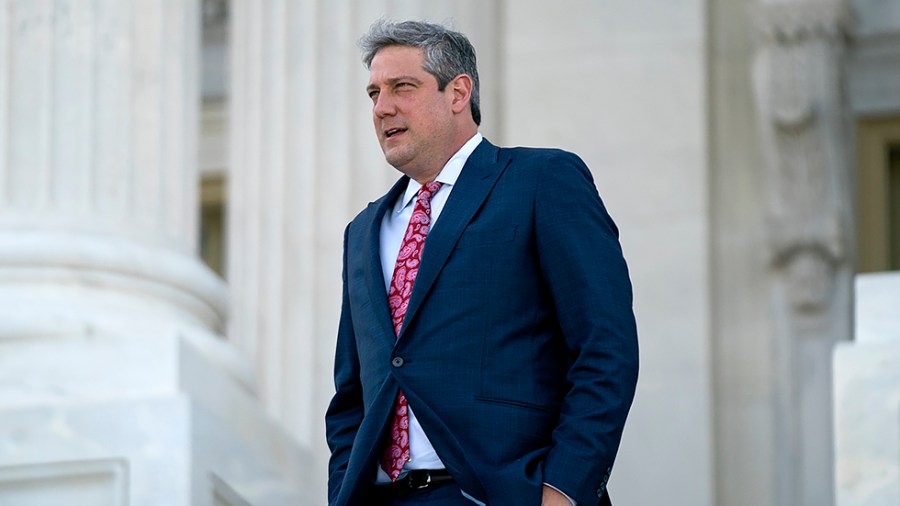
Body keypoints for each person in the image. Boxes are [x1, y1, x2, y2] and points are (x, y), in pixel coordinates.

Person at [325, 19, 639, 506]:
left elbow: (605, 348)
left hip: (506, 493)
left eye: (401, 87)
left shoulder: (542, 180)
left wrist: (564, 490)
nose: (382, 107)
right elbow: (351, 397)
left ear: (458, 92)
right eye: (373, 94)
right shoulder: (363, 231)